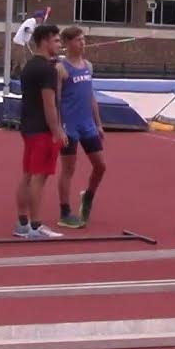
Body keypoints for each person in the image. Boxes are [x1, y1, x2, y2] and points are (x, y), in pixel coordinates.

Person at [12, 24, 67, 239]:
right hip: (43, 130)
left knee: (28, 174)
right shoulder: (47, 70)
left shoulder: (29, 67)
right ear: (45, 41)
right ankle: (35, 226)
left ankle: (22, 223)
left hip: (28, 127)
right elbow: (49, 103)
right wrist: (57, 131)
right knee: (39, 177)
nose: (59, 45)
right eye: (56, 41)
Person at [55, 26, 107, 229]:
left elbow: (90, 96)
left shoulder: (88, 66)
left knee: (101, 166)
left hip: (87, 124)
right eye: (78, 40)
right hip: (69, 125)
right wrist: (58, 127)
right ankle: (64, 211)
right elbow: (57, 100)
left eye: (83, 39)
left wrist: (99, 123)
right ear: (67, 43)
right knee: (68, 168)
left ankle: (88, 196)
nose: (82, 43)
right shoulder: (61, 68)